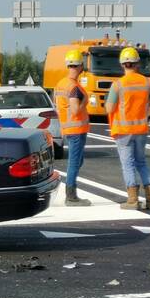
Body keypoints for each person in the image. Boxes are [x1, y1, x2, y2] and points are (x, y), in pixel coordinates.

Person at [106, 47, 150, 210]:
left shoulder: (118, 85)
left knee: (128, 164)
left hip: (123, 131)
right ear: (137, 63)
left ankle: (133, 200)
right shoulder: (148, 82)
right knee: (141, 162)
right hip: (141, 129)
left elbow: (109, 109)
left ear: (122, 64)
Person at [54, 50, 91, 206]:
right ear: (80, 66)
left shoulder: (61, 83)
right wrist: (85, 101)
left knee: (77, 160)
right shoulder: (74, 87)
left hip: (69, 129)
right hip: (76, 130)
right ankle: (71, 196)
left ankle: (71, 191)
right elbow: (75, 110)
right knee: (74, 162)